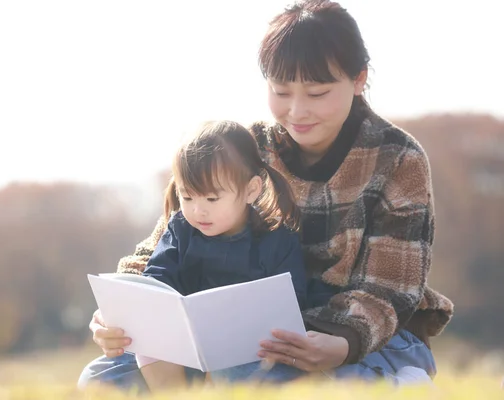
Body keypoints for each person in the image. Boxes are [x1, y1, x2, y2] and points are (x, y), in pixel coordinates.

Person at [78, 0, 453, 391]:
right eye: (280, 91)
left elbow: (390, 287)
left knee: (244, 373)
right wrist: (121, 309)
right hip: (242, 337)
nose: (296, 111)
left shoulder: (397, 158)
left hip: (362, 336)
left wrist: (341, 343)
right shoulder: (245, 147)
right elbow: (166, 240)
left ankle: (397, 384)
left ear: (359, 80)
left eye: (317, 92)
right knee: (102, 381)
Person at [134, 120, 308, 391]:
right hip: (188, 346)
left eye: (212, 199)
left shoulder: (277, 238)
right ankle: (174, 394)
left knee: (242, 372)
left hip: (248, 349)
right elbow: (157, 277)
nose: (198, 211)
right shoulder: (180, 229)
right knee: (133, 356)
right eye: (187, 198)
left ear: (251, 190)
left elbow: (293, 299)